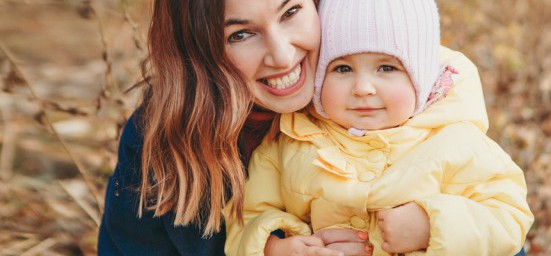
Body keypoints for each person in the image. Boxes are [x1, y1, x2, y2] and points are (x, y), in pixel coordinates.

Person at [224, 0, 534, 255]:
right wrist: (273, 248)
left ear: (421, 79)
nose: (363, 88)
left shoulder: (456, 140)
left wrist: (431, 226)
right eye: (342, 68)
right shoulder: (289, 140)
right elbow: (246, 217)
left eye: (387, 68)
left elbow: (510, 216)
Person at [98, 0, 372, 255]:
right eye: (240, 35)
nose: (283, 57)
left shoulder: (385, 96)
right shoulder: (159, 142)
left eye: (290, 12)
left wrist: (412, 228)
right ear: (197, 51)